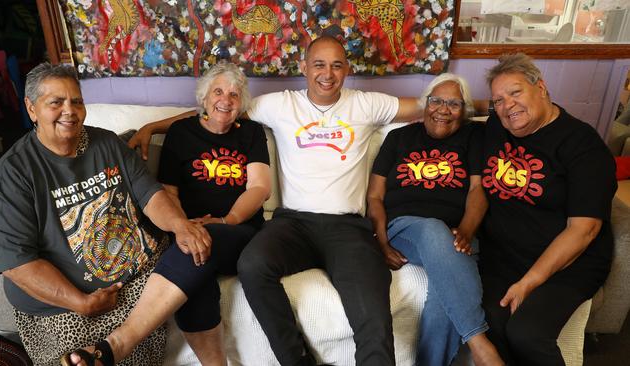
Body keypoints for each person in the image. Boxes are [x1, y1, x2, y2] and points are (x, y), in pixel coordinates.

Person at [128, 35, 430, 366]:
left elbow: (428, 104)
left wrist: (460, 103)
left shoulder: (366, 103)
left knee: (372, 300)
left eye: (336, 65)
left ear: (347, 70)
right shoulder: (279, 104)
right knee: (253, 264)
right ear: (303, 67)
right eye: (318, 64)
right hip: (293, 224)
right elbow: (217, 112)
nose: (327, 74)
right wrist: (154, 126)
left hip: (348, 228)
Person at [0, 63, 208, 365]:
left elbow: (150, 193)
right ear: (31, 109)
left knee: (200, 254)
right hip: (67, 306)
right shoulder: (15, 172)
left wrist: (180, 225)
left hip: (138, 279)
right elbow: (16, 262)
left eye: (76, 101)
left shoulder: (107, 143)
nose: (70, 111)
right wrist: (81, 302)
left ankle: (115, 346)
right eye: (56, 103)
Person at [62, 61, 271, 365]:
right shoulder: (182, 133)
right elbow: (168, 193)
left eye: (234, 95)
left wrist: (226, 221)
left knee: (199, 240)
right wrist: (184, 226)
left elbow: (259, 188)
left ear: (241, 103)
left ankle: (117, 345)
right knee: (195, 273)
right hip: (190, 229)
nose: (225, 100)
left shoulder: (250, 133)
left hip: (240, 232)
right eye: (218, 91)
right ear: (204, 97)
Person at [479, 53, 617, 365]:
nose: (507, 105)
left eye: (515, 93)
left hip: (568, 261)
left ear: (541, 87)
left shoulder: (583, 146)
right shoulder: (496, 127)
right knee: (493, 323)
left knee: (527, 332)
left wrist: (530, 282)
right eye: (498, 100)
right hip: (503, 255)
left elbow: (585, 229)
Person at [366, 73, 504, 366]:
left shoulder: (473, 136)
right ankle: (479, 342)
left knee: (445, 298)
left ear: (465, 110)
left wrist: (466, 230)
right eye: (436, 101)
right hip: (404, 228)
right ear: (424, 104)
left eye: (454, 104)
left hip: (455, 233)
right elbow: (375, 196)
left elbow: (478, 188)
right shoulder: (398, 137)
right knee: (432, 228)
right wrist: (380, 241)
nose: (443, 109)